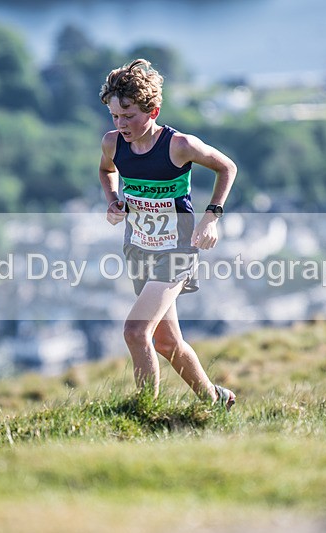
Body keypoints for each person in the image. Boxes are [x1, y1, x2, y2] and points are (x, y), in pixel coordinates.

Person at [98, 59, 237, 409]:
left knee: (135, 332)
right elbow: (105, 171)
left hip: (176, 251)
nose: (121, 124)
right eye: (115, 116)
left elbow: (226, 167)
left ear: (153, 110)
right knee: (166, 344)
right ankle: (215, 401)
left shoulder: (179, 145)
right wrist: (113, 201)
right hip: (139, 249)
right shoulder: (113, 143)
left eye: (128, 115)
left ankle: (146, 411)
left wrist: (212, 217)